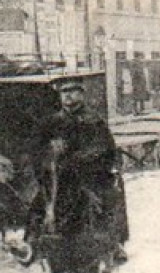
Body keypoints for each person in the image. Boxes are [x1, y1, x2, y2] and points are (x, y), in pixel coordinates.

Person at [43, 78, 129, 262]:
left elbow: (104, 147)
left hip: (91, 175)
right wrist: (50, 151)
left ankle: (115, 243)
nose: (68, 96)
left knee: (111, 198)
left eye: (73, 91)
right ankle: (32, 242)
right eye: (64, 92)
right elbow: (38, 147)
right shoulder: (53, 121)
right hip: (62, 176)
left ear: (81, 95)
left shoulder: (94, 120)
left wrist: (76, 157)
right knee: (39, 202)